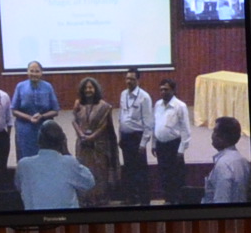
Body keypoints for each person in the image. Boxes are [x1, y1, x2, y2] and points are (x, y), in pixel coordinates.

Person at [14, 121, 92, 210]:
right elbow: (89, 183)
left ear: (38, 141)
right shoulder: (69, 163)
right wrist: (66, 152)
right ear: (62, 142)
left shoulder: (23, 165)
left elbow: (19, 186)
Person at [70, 77, 118, 206]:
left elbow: (104, 125)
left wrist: (92, 137)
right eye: (85, 88)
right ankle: (86, 200)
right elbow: (74, 121)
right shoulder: (78, 105)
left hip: (98, 147)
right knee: (84, 172)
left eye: (90, 87)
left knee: (99, 173)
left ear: (96, 89)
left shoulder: (104, 106)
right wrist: (81, 135)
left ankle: (100, 200)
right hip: (83, 146)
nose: (88, 90)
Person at [152, 80, 193, 205]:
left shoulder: (180, 106)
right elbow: (155, 125)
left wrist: (181, 150)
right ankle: (168, 200)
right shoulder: (158, 104)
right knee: (163, 174)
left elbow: (186, 130)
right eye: (161, 89)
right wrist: (153, 144)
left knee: (176, 175)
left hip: (174, 146)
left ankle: (179, 201)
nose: (163, 92)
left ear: (173, 90)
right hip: (160, 145)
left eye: (166, 89)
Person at [116, 68, 154, 202]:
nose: (129, 81)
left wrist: (143, 144)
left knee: (141, 171)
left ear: (138, 80)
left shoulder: (144, 97)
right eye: (127, 78)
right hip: (125, 137)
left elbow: (148, 123)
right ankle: (131, 198)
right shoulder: (123, 94)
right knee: (128, 169)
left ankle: (144, 200)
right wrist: (120, 136)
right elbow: (121, 116)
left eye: (132, 79)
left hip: (137, 138)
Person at [11, 61, 59, 161]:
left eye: (37, 71)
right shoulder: (20, 86)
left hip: (44, 127)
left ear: (41, 73)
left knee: (45, 157)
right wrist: (29, 118)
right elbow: (14, 110)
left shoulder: (48, 87)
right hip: (25, 128)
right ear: (27, 72)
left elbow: (55, 110)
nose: (34, 74)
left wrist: (42, 116)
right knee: (26, 158)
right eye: (31, 71)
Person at [202, 116, 251, 205]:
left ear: (222, 137)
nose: (212, 136)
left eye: (214, 132)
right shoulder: (244, 162)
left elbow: (222, 200)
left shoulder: (223, 165)